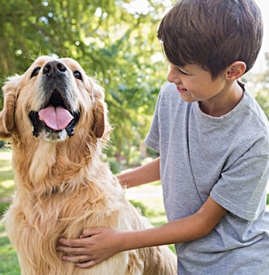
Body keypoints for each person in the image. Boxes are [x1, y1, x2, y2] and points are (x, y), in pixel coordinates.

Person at [56, 0, 269, 273]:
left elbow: (202, 222)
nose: (171, 77)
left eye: (183, 71)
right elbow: (172, 161)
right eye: (171, 65)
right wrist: (106, 185)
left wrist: (119, 241)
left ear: (233, 72)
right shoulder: (174, 96)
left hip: (240, 263)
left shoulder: (255, 141)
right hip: (192, 261)